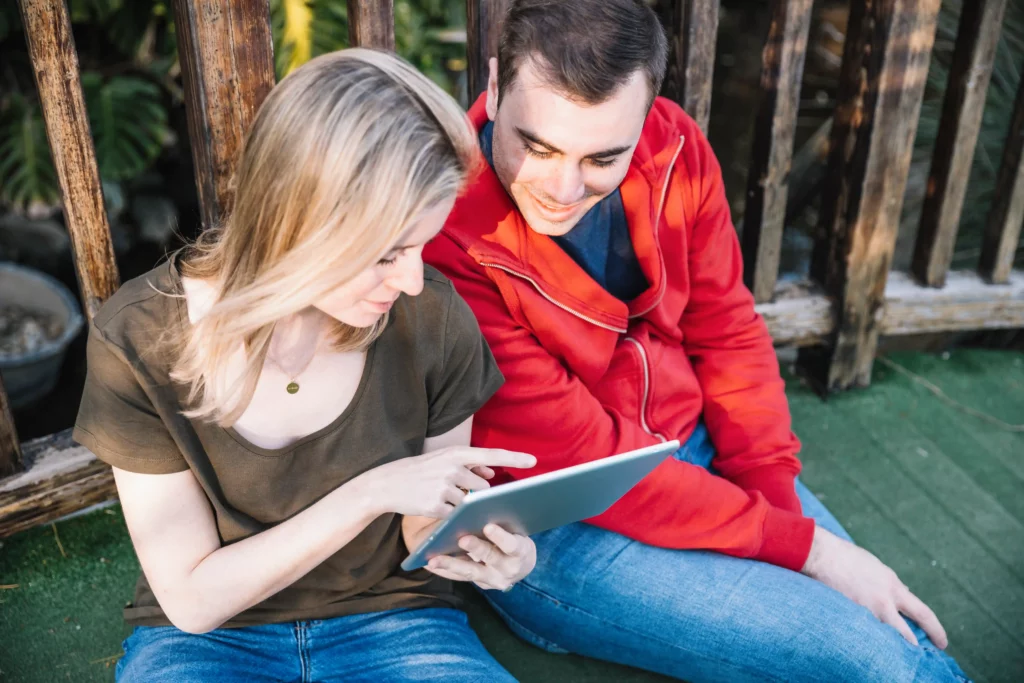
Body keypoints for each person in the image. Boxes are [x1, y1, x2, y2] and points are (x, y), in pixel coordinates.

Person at [423, 1, 970, 681]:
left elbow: (727, 328)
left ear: (647, 112)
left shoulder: (675, 144)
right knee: (879, 659)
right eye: (536, 146)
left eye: (603, 157)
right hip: (556, 522)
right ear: (494, 82)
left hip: (690, 447)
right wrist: (810, 551)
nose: (562, 188)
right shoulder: (444, 232)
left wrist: (777, 506)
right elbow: (580, 452)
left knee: (893, 624)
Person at [72, 49, 538, 683]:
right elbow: (194, 601)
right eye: (385, 255)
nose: (410, 280)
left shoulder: (432, 316)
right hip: (209, 640)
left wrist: (481, 548)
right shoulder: (139, 338)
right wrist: (369, 493)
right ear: (297, 223)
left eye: (421, 246)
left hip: (395, 618)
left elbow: (422, 528)